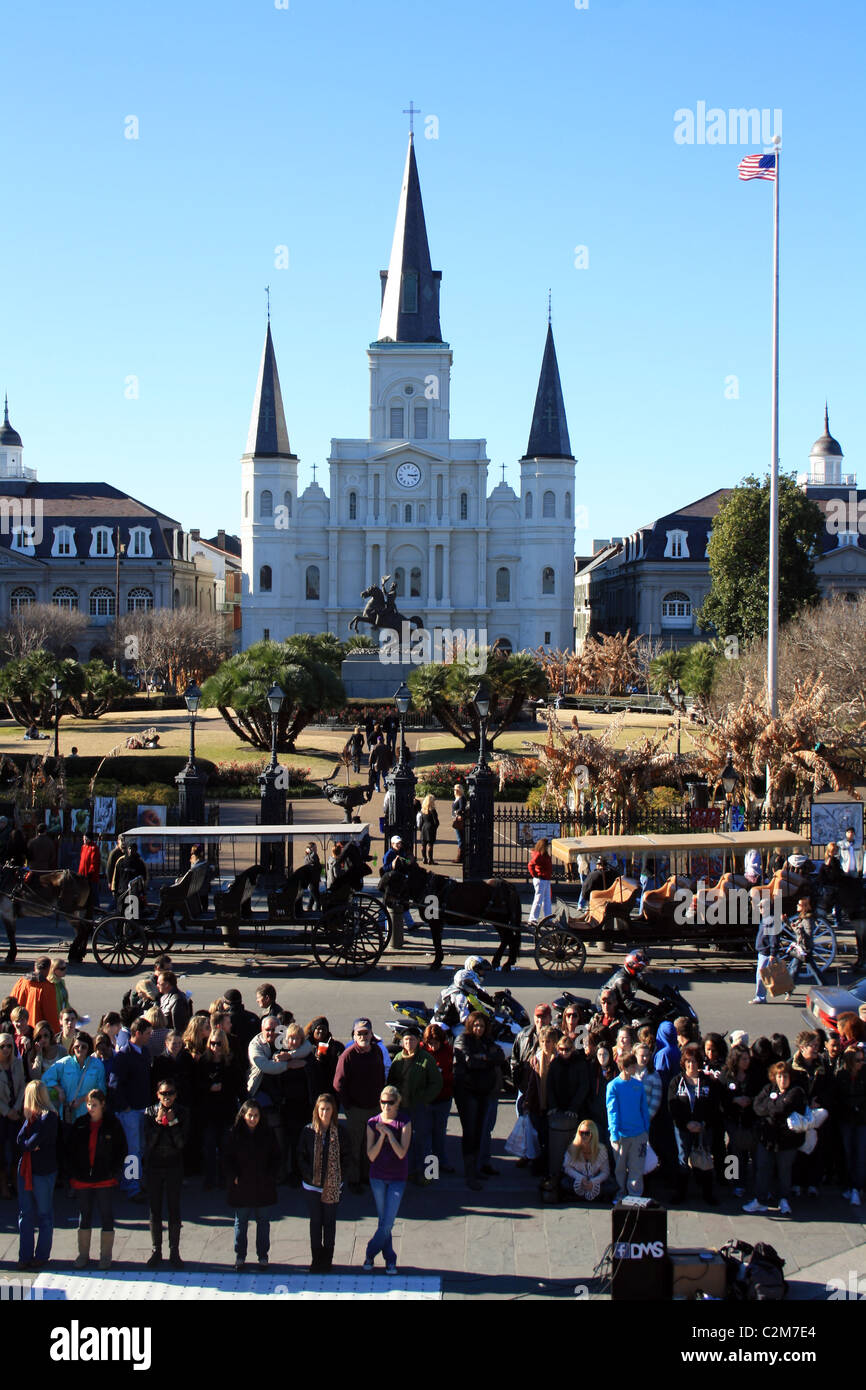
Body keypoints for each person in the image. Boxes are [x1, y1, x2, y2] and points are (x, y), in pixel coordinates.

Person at [68, 1088, 127, 1270]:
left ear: (103, 1105)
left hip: (105, 1179)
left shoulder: (112, 1124)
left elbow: (122, 1150)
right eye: (88, 1104)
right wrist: (74, 1173)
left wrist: (114, 1171)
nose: (91, 1108)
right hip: (83, 1178)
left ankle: (105, 1256)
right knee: (84, 1215)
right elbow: (70, 1151)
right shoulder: (80, 1124)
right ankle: (83, 1255)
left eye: (94, 1105)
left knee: (106, 1215)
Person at [745, 1060, 807, 1215]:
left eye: (785, 1076)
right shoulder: (768, 1089)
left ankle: (784, 1199)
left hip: (787, 1141)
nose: (782, 1080)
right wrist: (774, 1105)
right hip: (767, 1139)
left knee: (784, 1170)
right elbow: (757, 1107)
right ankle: (760, 1199)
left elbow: (783, 1108)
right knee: (762, 1168)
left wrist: (771, 1106)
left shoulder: (796, 1091)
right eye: (779, 1076)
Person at [224, 1098, 279, 1270]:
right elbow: (227, 1159)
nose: (253, 1119)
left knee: (263, 1222)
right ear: (244, 1116)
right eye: (250, 1115)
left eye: (256, 1115)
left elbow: (276, 1157)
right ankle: (240, 1256)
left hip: (263, 1185)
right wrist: (233, 1176)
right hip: (242, 1185)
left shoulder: (267, 1133)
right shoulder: (234, 1134)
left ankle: (263, 1256)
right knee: (241, 1221)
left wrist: (271, 1176)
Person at [332, 1018, 386, 1193]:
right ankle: (354, 1179)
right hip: (356, 1110)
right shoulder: (347, 1056)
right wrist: (348, 1106)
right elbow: (338, 1084)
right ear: (354, 1036)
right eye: (359, 1033)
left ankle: (366, 1176)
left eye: (366, 1033)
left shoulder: (377, 1051)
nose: (363, 1036)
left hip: (374, 1108)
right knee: (355, 1146)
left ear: (371, 1034)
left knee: (370, 1145)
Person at [363, 1085, 412, 1273]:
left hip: (397, 1177)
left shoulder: (404, 1122)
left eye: (390, 1103)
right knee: (384, 1220)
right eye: (383, 1102)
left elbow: (401, 1152)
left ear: (397, 1103)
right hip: (378, 1176)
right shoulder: (372, 1123)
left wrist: (390, 1134)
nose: (386, 1106)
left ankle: (370, 1252)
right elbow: (371, 1155)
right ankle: (390, 1259)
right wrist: (380, 1136)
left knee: (388, 1222)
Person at [298, 1093, 349, 1273]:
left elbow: (346, 1157)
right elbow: (301, 1157)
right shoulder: (308, 1131)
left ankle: (327, 1260)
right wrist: (309, 1175)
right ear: (316, 1110)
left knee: (329, 1222)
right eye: (322, 1109)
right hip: (312, 1186)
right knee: (315, 1222)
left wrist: (339, 1178)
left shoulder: (340, 1132)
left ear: (333, 1111)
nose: (325, 1113)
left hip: (332, 1185)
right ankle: (316, 1259)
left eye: (328, 1109)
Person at [453, 1011, 504, 1191]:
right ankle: (469, 1173)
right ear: (469, 1025)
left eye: (481, 1026)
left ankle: (475, 1168)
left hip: (484, 1091)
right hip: (467, 1092)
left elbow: (499, 1056)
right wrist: (485, 1060)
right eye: (475, 1025)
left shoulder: (486, 1041)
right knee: (470, 1131)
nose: (478, 1029)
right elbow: (468, 1061)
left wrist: (485, 1058)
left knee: (480, 1130)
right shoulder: (462, 1039)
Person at [144, 1077, 190, 1268]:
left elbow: (181, 1144)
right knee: (154, 1210)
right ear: (158, 1095)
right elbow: (148, 1144)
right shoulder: (149, 1112)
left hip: (173, 1165)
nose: (167, 1097)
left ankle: (174, 1251)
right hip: (154, 1166)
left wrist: (172, 1123)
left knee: (174, 1208)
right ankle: (156, 1250)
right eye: (163, 1093)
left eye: (170, 1093)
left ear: (176, 1094)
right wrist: (157, 1122)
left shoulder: (183, 1112)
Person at [387, 1025, 442, 1184]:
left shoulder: (426, 1059)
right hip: (402, 1107)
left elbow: (436, 1083)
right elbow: (391, 1081)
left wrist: (424, 1099)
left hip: (420, 1107)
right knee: (406, 1141)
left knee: (424, 1140)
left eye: (412, 1039)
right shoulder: (398, 1059)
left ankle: (429, 1174)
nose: (409, 1042)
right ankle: (409, 1171)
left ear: (418, 1041)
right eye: (406, 1040)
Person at [668, 1045, 721, 1206]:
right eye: (688, 1062)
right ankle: (681, 1192)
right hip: (683, 1128)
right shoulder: (677, 1082)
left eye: (694, 1061)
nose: (691, 1065)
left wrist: (703, 1123)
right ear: (684, 1063)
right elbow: (672, 1107)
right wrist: (686, 1123)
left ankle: (707, 1193)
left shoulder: (707, 1082)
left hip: (703, 1127)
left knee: (705, 1156)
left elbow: (714, 1106)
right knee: (683, 1158)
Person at [106, 1017, 152, 1200]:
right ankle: (133, 1187)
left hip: (143, 1109)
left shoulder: (145, 1052)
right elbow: (114, 1084)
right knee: (133, 1151)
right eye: (147, 1033)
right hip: (130, 1112)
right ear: (137, 1033)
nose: (150, 1037)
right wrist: (124, 1107)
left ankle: (129, 1181)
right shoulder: (123, 1056)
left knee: (139, 1148)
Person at [15, 1080, 59, 1270]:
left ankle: (41, 1255)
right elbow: (19, 1140)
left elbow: (30, 1143)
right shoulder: (29, 1117)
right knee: (25, 1215)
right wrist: (28, 1144)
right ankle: (24, 1256)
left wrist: (29, 1144)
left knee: (44, 1214)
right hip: (26, 1169)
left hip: (43, 1170)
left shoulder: (48, 1117)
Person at [247, 1016, 292, 1182]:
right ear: (261, 1030)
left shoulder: (284, 1038)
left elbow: (302, 1047)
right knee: (265, 1135)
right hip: (261, 1093)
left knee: (283, 1136)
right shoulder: (255, 1045)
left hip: (282, 1094)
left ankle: (281, 1172)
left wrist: (292, 1054)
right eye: (268, 1030)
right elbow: (265, 1066)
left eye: (274, 1030)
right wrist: (288, 1064)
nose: (271, 1033)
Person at [197, 1029, 239, 1190]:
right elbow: (197, 1084)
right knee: (208, 1147)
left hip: (226, 1111)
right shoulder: (203, 1062)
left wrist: (225, 1088)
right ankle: (209, 1179)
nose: (215, 1047)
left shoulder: (230, 1062)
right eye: (212, 1043)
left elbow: (237, 1084)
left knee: (225, 1147)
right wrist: (209, 1087)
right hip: (208, 1112)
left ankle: (223, 1179)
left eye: (219, 1043)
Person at [546, 1032, 589, 1180]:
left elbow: (583, 1087)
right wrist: (552, 1106)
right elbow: (549, 1086)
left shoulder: (580, 1064)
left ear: (573, 1049)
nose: (564, 1052)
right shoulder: (554, 1064)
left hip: (575, 1111)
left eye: (567, 1049)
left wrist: (574, 1108)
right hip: (558, 1109)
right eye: (562, 1049)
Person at [606, 1053, 650, 1199]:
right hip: (621, 1135)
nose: (635, 1068)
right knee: (620, 1168)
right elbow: (612, 1111)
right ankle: (620, 1193)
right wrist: (614, 1133)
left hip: (638, 1134)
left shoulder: (638, 1085)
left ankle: (635, 1194)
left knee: (636, 1167)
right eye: (632, 1066)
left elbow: (644, 1109)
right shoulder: (613, 1086)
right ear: (624, 1068)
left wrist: (646, 1130)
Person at [280, 1023, 317, 1186]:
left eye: (296, 1038)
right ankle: (292, 1172)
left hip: (304, 1105)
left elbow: (313, 1073)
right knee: (291, 1141)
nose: (293, 1041)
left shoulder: (307, 1057)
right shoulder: (282, 1055)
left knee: (306, 1140)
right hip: (288, 1105)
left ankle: (304, 1172)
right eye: (290, 1038)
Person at [722, 1043, 761, 1198]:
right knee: (734, 1151)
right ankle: (735, 1182)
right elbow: (722, 1097)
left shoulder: (754, 1075)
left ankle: (755, 1183)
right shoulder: (727, 1076)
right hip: (733, 1120)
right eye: (743, 1059)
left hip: (750, 1120)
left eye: (748, 1058)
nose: (746, 1062)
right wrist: (734, 1100)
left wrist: (750, 1100)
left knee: (754, 1152)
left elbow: (760, 1094)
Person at [421, 1023, 455, 1174]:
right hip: (427, 1101)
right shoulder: (421, 1050)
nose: (433, 1047)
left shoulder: (448, 1051)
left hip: (443, 1099)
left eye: (436, 1043)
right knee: (426, 1134)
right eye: (430, 1043)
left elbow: (452, 1073)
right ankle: (430, 1169)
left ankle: (441, 1161)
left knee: (439, 1133)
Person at [833, 1048, 866, 1207]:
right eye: (858, 1060)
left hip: (861, 1120)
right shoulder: (841, 1075)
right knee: (846, 1152)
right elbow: (838, 1097)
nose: (861, 1063)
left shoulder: (864, 1074)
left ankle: (856, 1187)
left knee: (860, 1153)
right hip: (846, 1119)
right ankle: (848, 1184)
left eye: (862, 1060)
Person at [0, 1031, 26, 1199]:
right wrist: (6, 1111)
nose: (6, 1049)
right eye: (2, 1046)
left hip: (16, 1113)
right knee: (1, 1150)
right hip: (2, 1115)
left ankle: (15, 1181)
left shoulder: (17, 1064)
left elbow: (23, 1086)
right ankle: (3, 1185)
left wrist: (16, 1108)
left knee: (17, 1148)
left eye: (9, 1046)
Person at [562, 1119, 611, 1201]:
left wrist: (593, 1182)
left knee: (612, 1186)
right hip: (577, 1179)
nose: (584, 1136)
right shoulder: (572, 1147)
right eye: (581, 1133)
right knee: (564, 1183)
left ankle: (580, 1196)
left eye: (587, 1133)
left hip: (595, 1180)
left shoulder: (601, 1149)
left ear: (593, 1134)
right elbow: (567, 1168)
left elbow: (605, 1172)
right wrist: (580, 1178)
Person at [11, 957, 61, 1036]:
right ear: (48, 970)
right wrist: (57, 1034)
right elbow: (51, 1014)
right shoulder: (47, 987)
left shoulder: (21, 982)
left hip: (18, 1028)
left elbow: (11, 1004)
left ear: (35, 967)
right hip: (38, 1032)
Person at [304, 1017, 344, 1093]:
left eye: (324, 1029)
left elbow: (340, 1066)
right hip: (311, 1088)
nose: (321, 1031)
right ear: (313, 1030)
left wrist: (329, 1057)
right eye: (318, 1028)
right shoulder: (305, 1047)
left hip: (330, 1088)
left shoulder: (336, 1046)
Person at [527, 837, 554, 926]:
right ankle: (533, 918)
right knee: (539, 899)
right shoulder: (539, 855)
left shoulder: (543, 854)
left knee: (546, 899)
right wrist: (535, 874)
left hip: (545, 879)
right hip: (541, 879)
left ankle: (547, 918)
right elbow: (530, 865)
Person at [77, 832, 101, 915]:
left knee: (93, 892)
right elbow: (82, 860)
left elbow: (94, 863)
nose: (83, 840)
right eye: (83, 838)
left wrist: (90, 873)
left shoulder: (94, 848)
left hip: (91, 876)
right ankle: (85, 906)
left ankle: (97, 908)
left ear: (89, 838)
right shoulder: (83, 847)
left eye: (85, 838)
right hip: (82, 874)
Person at [419, 794, 440, 865]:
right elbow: (436, 822)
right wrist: (435, 827)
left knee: (423, 844)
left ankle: (424, 858)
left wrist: (421, 828)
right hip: (431, 828)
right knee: (430, 845)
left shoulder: (423, 810)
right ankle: (430, 859)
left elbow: (421, 821)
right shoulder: (433, 810)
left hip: (424, 827)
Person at [451, 783, 468, 865]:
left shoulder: (461, 798)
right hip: (456, 819)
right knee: (460, 838)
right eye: (454, 789)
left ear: (459, 790)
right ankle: (461, 856)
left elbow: (462, 808)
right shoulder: (457, 798)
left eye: (456, 789)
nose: (454, 791)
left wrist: (456, 812)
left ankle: (460, 857)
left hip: (459, 820)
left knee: (460, 838)